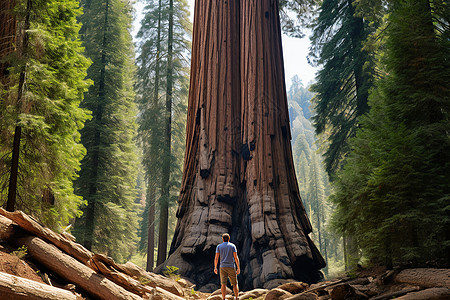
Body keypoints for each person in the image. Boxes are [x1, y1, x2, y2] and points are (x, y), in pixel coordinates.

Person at [214, 233, 240, 300]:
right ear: (229, 238)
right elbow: (236, 257)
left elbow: (216, 258)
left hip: (222, 267)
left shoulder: (219, 246)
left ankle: (223, 298)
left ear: (222, 239)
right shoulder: (232, 246)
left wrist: (215, 267)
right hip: (231, 266)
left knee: (223, 284)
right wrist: (238, 268)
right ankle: (237, 297)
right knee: (234, 283)